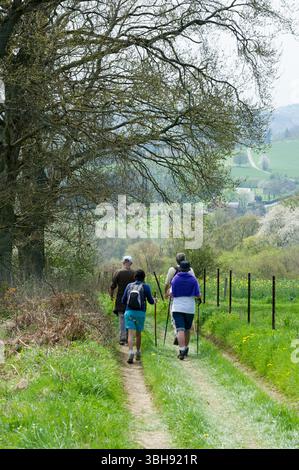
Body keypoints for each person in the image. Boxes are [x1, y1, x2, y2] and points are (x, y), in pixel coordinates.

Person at [122, 269, 155, 364]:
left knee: (130, 334)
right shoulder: (146, 286)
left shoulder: (129, 286)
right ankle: (138, 352)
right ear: (144, 277)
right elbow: (151, 301)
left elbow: (123, 300)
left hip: (129, 312)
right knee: (138, 334)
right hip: (140, 313)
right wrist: (154, 300)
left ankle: (131, 351)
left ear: (134, 277)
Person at [170, 260, 201, 360]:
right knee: (187, 329)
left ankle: (182, 349)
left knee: (180, 328)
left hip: (177, 307)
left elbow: (171, 293)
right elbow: (198, 294)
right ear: (188, 269)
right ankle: (186, 348)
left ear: (180, 269)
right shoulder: (193, 279)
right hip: (189, 308)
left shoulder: (175, 279)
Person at [164, 253, 195, 345]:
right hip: (189, 297)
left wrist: (165, 293)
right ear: (185, 259)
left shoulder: (172, 269)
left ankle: (177, 334)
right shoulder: (190, 269)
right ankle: (184, 344)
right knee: (186, 324)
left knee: (174, 317)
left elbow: (167, 283)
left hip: (175, 296)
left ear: (176, 260)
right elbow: (194, 281)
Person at [110, 256, 135, 345]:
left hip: (120, 300)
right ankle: (129, 338)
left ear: (123, 262)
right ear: (130, 263)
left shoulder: (118, 272)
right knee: (130, 318)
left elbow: (112, 286)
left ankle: (122, 338)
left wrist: (111, 296)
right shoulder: (134, 273)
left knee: (122, 319)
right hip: (131, 300)